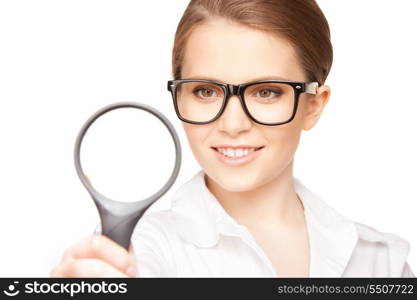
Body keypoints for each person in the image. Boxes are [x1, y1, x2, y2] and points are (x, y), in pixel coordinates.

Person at [50, 0, 414, 277]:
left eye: (266, 92)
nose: (233, 123)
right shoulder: (139, 250)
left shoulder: (382, 261)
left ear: (312, 106)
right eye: (206, 91)